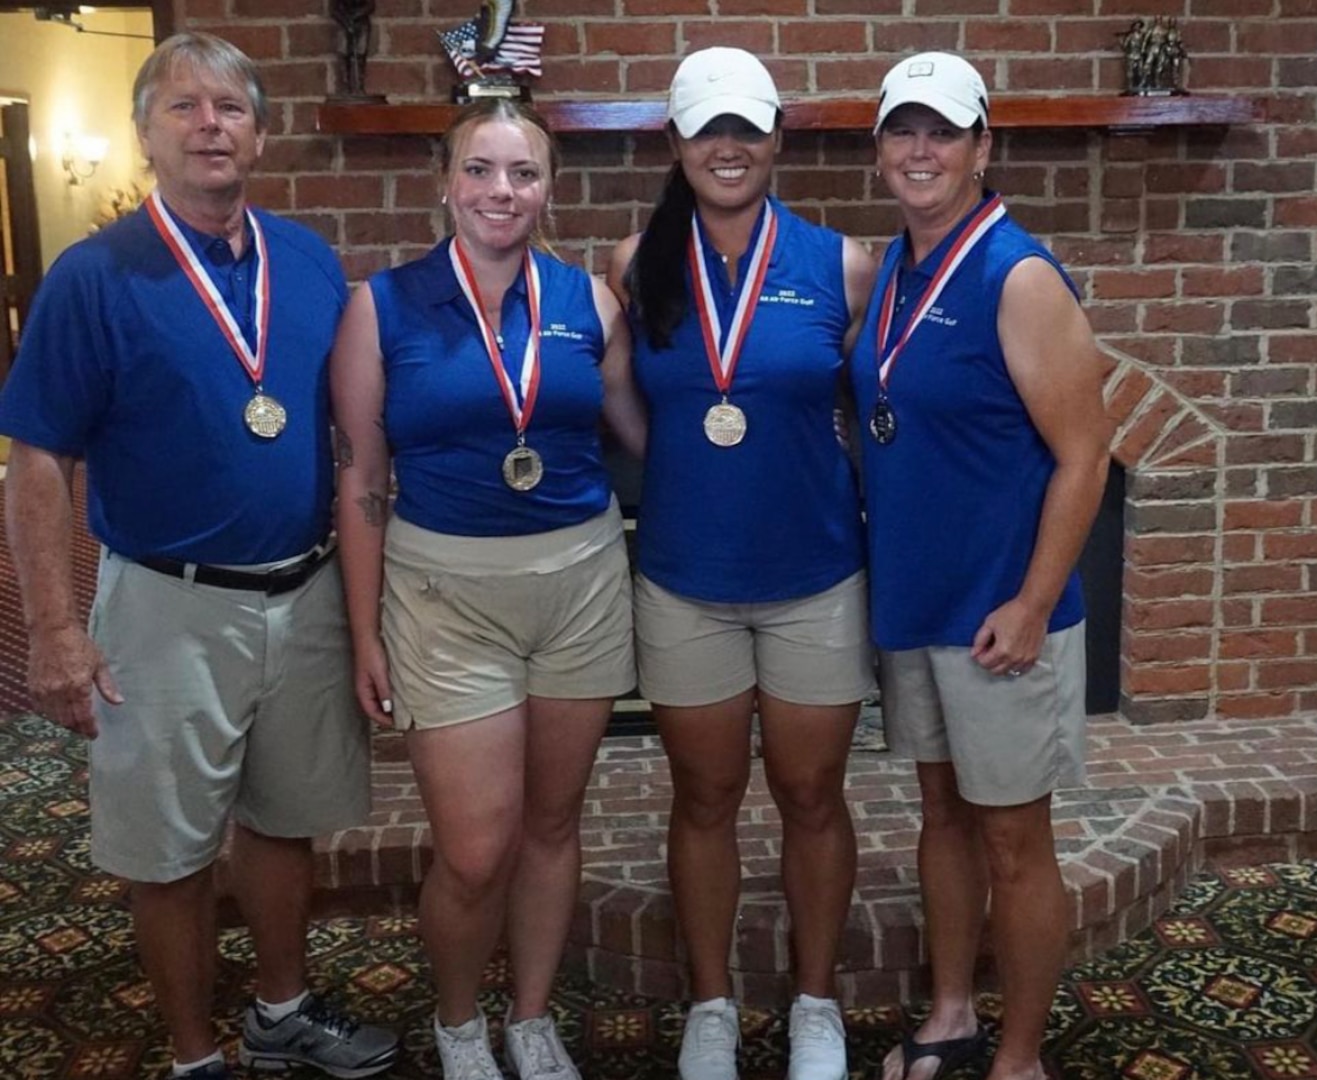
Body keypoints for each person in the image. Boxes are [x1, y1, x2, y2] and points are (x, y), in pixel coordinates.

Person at [0, 32, 398, 1080]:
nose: (209, 125)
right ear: (145, 135)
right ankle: (191, 1057)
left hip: (303, 593)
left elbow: (352, 434)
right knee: (166, 848)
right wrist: (50, 629)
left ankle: (278, 1011)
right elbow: (37, 460)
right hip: (165, 610)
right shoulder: (94, 277)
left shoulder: (308, 263)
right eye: (182, 108)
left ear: (260, 135)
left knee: (282, 822)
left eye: (229, 108)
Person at [330, 98, 646, 1080]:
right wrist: (363, 632)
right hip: (444, 599)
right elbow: (360, 477)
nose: (501, 192)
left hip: (581, 586)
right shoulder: (380, 305)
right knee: (476, 849)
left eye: (523, 173)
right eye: (480, 170)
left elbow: (643, 430)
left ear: (550, 188)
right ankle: (461, 1020)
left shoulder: (590, 302)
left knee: (553, 823)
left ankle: (533, 1014)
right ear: (445, 181)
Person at [606, 46, 876, 1080]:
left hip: (815, 578)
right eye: (706, 128)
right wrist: (688, 457)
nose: (728, 145)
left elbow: (870, 406)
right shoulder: (635, 264)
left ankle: (816, 1003)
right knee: (704, 797)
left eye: (747, 127)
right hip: (686, 579)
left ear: (777, 139)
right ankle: (711, 1004)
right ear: (674, 142)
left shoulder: (842, 264)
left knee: (812, 796)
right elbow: (625, 406)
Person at [850, 52, 1111, 1080]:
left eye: (943, 131)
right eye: (903, 131)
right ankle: (954, 1014)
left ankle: (1018, 1058)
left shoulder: (1020, 274)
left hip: (1005, 613)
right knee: (945, 820)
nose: (922, 150)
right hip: (920, 601)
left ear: (981, 148)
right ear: (879, 150)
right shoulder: (901, 266)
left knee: (1015, 843)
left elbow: (1087, 454)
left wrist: (1036, 601)